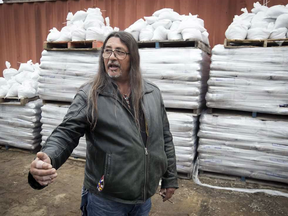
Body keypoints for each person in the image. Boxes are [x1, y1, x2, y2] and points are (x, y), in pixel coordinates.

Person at [29, 31, 178, 216]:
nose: (112, 57)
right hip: (105, 200)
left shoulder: (152, 93)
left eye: (119, 52)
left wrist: (170, 178)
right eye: (107, 51)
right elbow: (66, 133)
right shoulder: (90, 95)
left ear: (133, 58)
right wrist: (49, 157)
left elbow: (164, 138)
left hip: (143, 199)